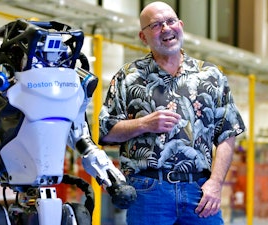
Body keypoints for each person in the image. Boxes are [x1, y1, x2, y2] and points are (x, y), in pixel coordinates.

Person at [98, 1, 245, 225]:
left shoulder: (211, 76)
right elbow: (105, 132)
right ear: (143, 36)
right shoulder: (127, 77)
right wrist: (143, 124)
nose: (166, 28)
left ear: (181, 25)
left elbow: (227, 134)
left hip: (200, 192)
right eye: (156, 25)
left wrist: (215, 183)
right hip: (148, 191)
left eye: (170, 21)